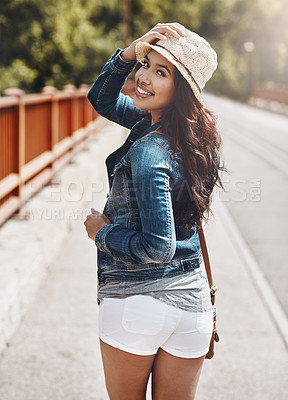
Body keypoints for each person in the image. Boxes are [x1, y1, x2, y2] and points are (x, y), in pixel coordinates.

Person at [84, 22, 224, 400]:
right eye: (144, 64)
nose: (142, 77)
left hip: (137, 304)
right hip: (191, 306)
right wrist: (127, 54)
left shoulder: (150, 149)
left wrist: (102, 233)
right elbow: (102, 99)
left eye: (160, 72)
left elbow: (158, 247)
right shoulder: (192, 137)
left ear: (182, 91)